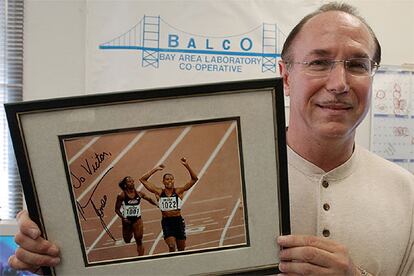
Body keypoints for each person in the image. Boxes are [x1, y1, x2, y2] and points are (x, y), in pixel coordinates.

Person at [6, 2, 414, 275]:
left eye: (358, 64)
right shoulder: (237, 169)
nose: (339, 83)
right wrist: (57, 243)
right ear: (286, 75)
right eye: (320, 62)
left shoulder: (408, 195)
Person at [139, 157, 199, 252]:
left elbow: (195, 179)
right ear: (163, 182)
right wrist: (155, 169)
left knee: (181, 249)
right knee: (171, 246)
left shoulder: (179, 191)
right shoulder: (159, 192)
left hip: (178, 221)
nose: (169, 181)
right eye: (167, 179)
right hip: (167, 222)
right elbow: (142, 180)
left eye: (171, 179)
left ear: (174, 181)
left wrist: (187, 165)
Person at [114, 176, 158, 256]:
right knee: (127, 240)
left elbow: (149, 199)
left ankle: (141, 258)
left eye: (132, 181)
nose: (132, 183)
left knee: (139, 239)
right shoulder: (122, 195)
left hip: (137, 219)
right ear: (125, 185)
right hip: (127, 220)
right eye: (129, 182)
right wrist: (123, 218)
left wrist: (157, 204)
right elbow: (116, 209)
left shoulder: (139, 193)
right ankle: (130, 233)